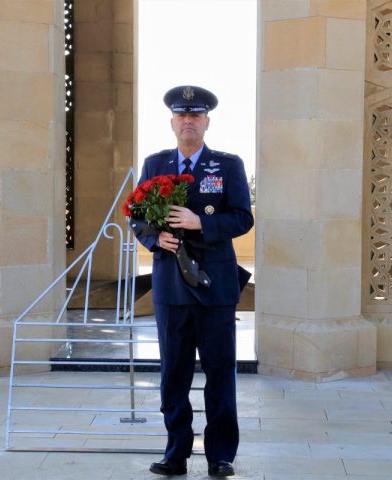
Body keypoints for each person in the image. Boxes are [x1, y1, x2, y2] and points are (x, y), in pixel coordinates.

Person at [133, 85, 253, 477]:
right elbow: (137, 217)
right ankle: (176, 453)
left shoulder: (227, 164)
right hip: (170, 286)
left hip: (215, 285)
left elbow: (242, 218)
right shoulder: (154, 164)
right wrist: (155, 238)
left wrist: (201, 221)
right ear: (172, 123)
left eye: (195, 115)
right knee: (174, 374)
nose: (188, 121)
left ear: (206, 122)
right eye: (182, 116)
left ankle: (220, 455)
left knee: (219, 372)